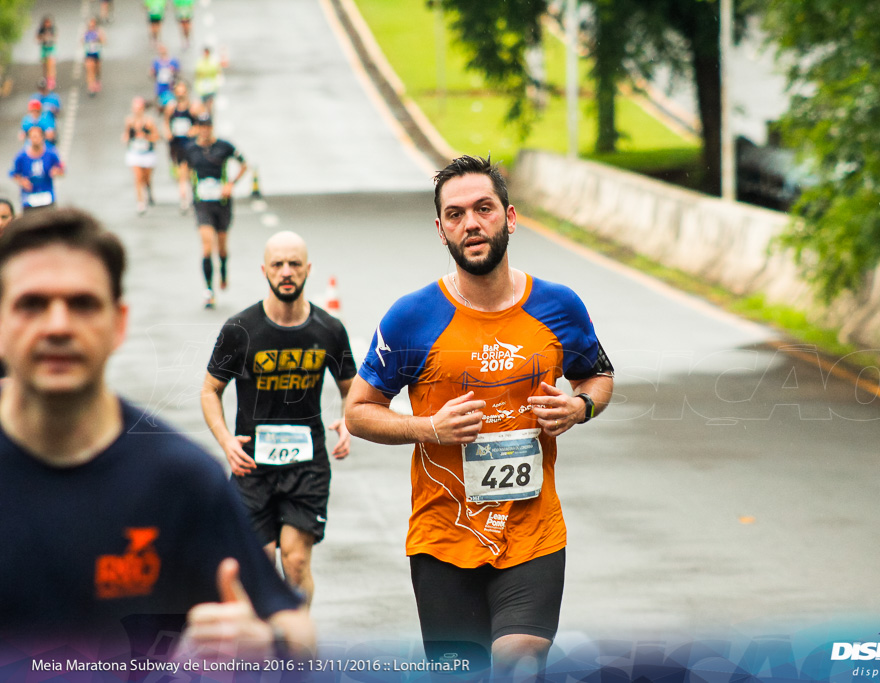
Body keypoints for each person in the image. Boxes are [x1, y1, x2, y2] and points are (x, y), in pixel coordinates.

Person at [0, 207, 315, 658]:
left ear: (119, 324)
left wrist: (267, 646)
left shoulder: (182, 480)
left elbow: (296, 633)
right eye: (31, 304)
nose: (58, 326)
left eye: (83, 304)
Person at [346, 155, 615, 677]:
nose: (471, 223)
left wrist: (579, 406)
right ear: (441, 229)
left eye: (483, 209)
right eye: (455, 214)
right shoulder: (412, 317)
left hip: (533, 532)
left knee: (519, 660)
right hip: (443, 538)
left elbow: (598, 376)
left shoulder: (559, 306)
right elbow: (358, 411)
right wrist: (428, 428)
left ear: (509, 218)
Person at [201, 231, 357, 608]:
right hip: (252, 464)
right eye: (278, 265)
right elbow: (210, 390)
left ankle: (297, 644)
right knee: (260, 562)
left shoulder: (329, 330)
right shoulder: (241, 330)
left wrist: (348, 422)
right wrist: (225, 440)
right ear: (264, 270)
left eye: (294, 264)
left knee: (297, 560)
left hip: (308, 464)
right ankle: (262, 652)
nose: (286, 272)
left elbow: (352, 388)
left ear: (307, 269)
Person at [181, 113, 247, 308]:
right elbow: (184, 168)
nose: (205, 129)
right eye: (201, 126)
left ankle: (224, 268)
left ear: (212, 127)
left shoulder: (224, 147)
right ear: (198, 128)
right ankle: (209, 290)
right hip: (202, 203)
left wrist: (231, 184)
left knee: (222, 246)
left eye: (208, 126)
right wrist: (184, 188)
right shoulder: (190, 149)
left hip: (222, 203)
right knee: (207, 245)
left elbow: (243, 164)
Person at [10, 126, 64, 213]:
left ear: (43, 137)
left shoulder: (51, 154)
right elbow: (14, 174)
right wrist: (22, 181)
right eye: (33, 137)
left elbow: (61, 170)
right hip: (29, 198)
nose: (35, 140)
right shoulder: (21, 157)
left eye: (37, 136)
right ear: (29, 139)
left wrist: (56, 172)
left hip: (47, 197)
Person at [164, 80, 199, 212]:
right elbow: (166, 123)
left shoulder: (193, 107)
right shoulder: (171, 108)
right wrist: (167, 132)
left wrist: (194, 130)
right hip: (178, 145)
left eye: (183, 92)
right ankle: (184, 200)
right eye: (178, 92)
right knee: (182, 173)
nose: (180, 94)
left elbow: (202, 124)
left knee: (193, 172)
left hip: (192, 144)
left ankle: (193, 196)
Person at [123, 96, 159, 214]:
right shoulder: (129, 121)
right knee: (138, 177)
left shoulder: (149, 121)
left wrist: (146, 137)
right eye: (134, 108)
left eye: (138, 108)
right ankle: (140, 203)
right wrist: (127, 138)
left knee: (146, 178)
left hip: (147, 153)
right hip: (135, 153)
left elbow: (156, 137)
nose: (136, 110)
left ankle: (149, 190)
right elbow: (126, 136)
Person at [194, 45, 223, 113]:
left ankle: (210, 118)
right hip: (202, 86)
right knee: (203, 104)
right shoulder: (200, 62)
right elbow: (197, 73)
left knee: (210, 103)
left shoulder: (213, 62)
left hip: (211, 85)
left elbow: (218, 72)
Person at [151, 43, 179, 109]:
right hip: (160, 88)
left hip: (170, 87)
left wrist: (173, 72)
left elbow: (178, 73)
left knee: (171, 105)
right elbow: (152, 74)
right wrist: (152, 73)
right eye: (160, 49)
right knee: (160, 107)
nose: (162, 51)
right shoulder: (156, 62)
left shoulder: (173, 61)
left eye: (163, 49)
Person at [83, 16, 106, 96]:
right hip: (89, 54)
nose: (91, 27)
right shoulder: (86, 32)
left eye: (93, 25)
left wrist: (98, 39)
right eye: (90, 25)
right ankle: (91, 87)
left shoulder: (99, 32)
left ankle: (97, 80)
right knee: (90, 71)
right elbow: (82, 42)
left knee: (97, 70)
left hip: (97, 54)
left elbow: (104, 42)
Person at [37, 16, 57, 89]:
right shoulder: (41, 30)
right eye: (46, 22)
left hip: (50, 49)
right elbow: (37, 38)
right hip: (44, 49)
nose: (47, 24)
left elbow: (55, 38)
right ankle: (46, 79)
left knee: (51, 64)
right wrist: (42, 38)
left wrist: (50, 38)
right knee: (45, 65)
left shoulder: (52, 29)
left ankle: (51, 80)